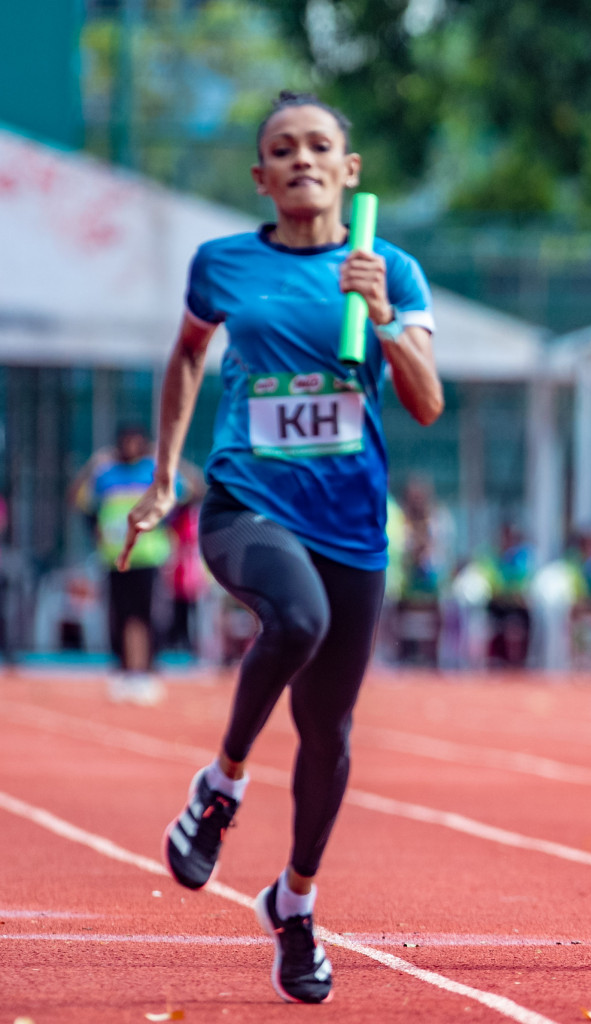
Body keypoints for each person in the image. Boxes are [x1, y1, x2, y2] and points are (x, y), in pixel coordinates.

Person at [118, 90, 443, 1004]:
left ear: (350, 171)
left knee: (330, 734)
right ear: (262, 178)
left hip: (351, 523)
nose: (302, 160)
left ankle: (294, 904)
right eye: (282, 150)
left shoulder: (393, 268)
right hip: (244, 503)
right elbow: (186, 355)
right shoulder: (222, 265)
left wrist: (380, 315)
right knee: (292, 620)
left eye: (319, 147)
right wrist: (166, 471)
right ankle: (218, 785)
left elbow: (426, 403)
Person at [68, 425, 202, 705]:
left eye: (136, 441)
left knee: (148, 614)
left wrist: (169, 459)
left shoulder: (155, 471)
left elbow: (196, 488)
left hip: (149, 556)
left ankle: (148, 670)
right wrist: (92, 464)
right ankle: (122, 669)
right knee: (118, 614)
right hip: (114, 557)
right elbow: (76, 498)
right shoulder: (104, 473)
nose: (130, 446)